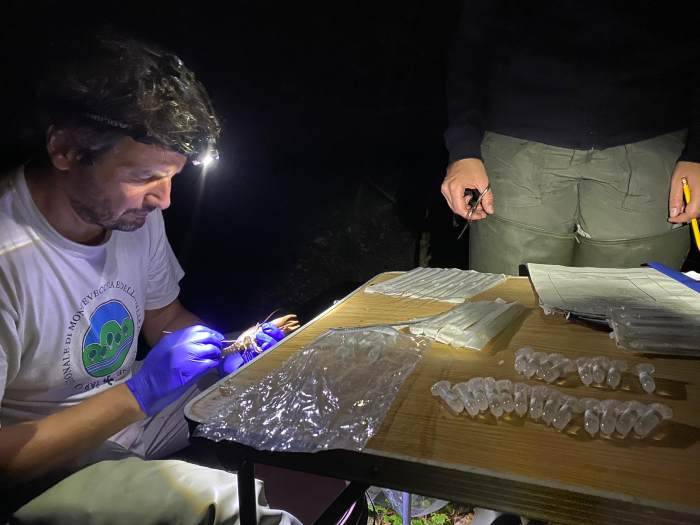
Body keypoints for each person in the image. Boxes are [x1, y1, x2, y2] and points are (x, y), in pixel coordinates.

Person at [0, 31, 301, 524]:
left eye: (172, 177)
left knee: (277, 384)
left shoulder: (132, 217)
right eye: (143, 178)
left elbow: (164, 318)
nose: (164, 200)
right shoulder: (8, 258)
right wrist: (137, 395)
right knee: (230, 508)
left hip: (130, 412)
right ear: (66, 149)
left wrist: (232, 352)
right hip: (44, 460)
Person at [440, 1, 700, 275]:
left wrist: (697, 154)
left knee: (629, 301)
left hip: (652, 151)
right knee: (509, 299)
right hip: (518, 147)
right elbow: (470, 42)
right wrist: (464, 149)